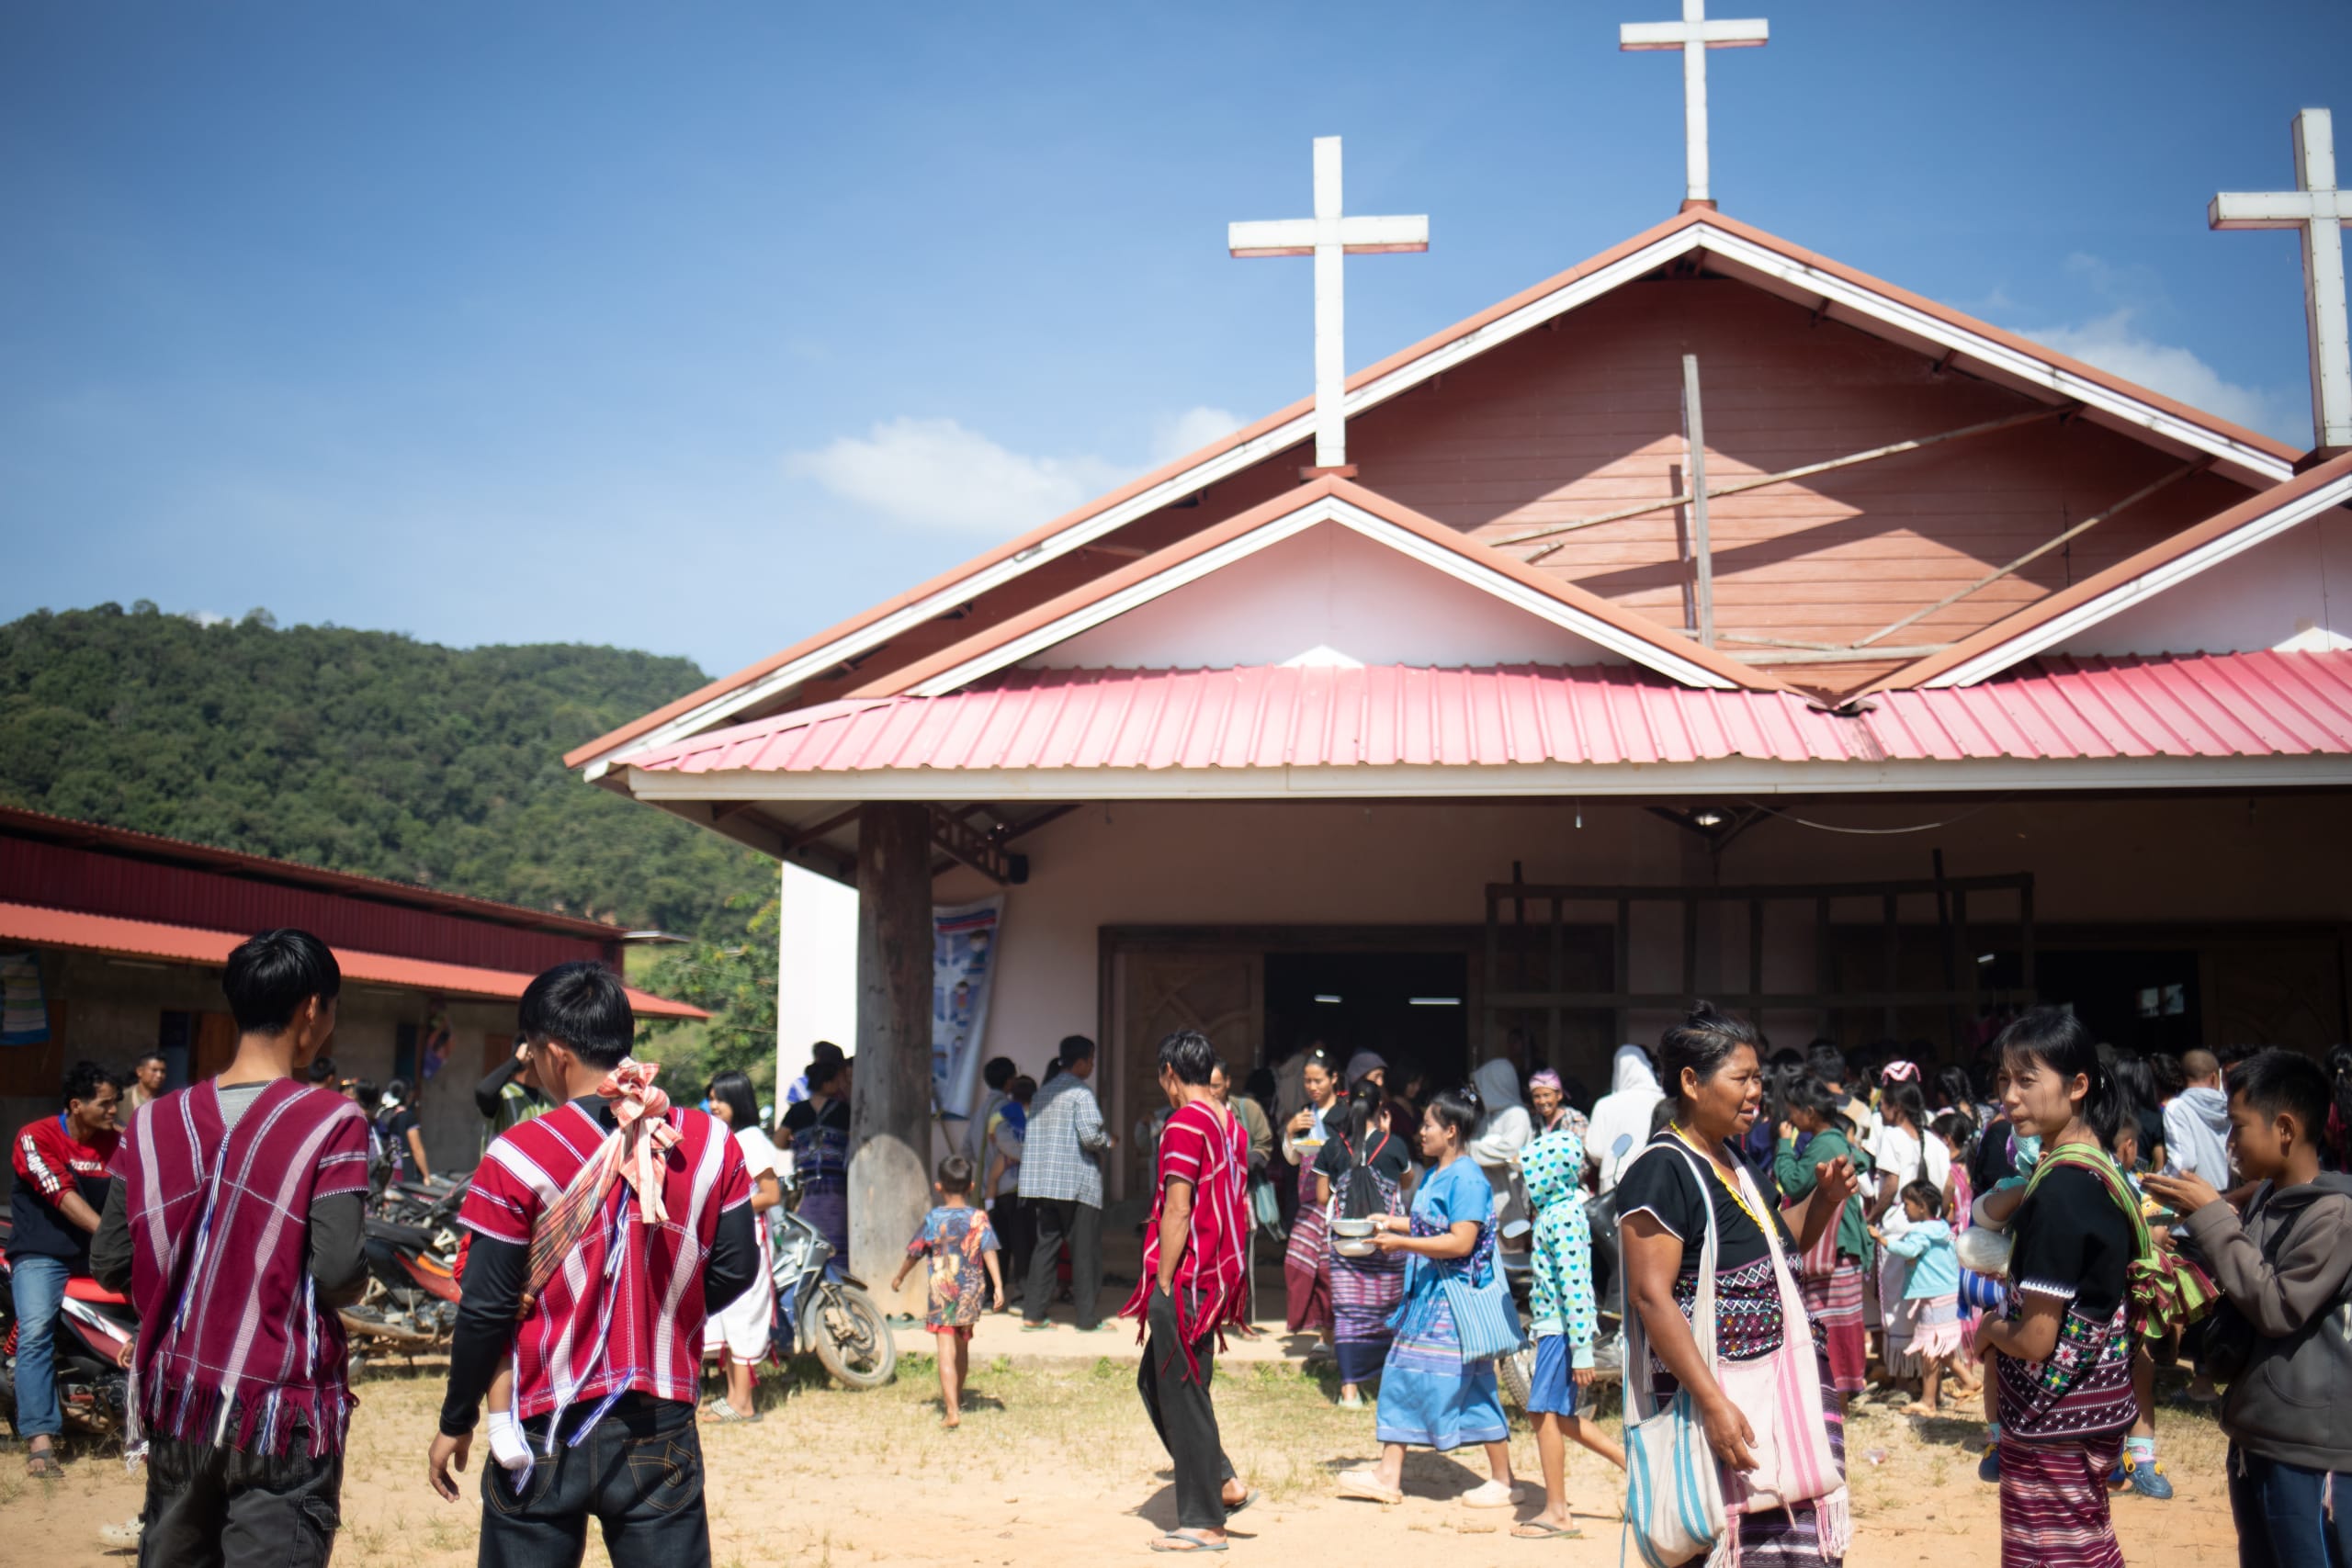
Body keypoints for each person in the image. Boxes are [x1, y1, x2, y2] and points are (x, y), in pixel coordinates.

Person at [429, 960, 756, 1568]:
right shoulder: (710, 1141)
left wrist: (458, 1415)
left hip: (540, 1419)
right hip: (660, 1421)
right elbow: (737, 1267)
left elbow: (488, 1306)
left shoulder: (517, 1154)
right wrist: (666, 1313)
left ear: (554, 1053)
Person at [91, 930, 371, 1566]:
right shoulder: (333, 1120)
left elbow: (109, 1260)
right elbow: (337, 1274)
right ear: (311, 1008)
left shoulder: (151, 1123)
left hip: (179, 1403)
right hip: (280, 1414)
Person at [1617, 1003, 1859, 1566]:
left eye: (1759, 1078)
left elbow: (1780, 1246)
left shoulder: (1736, 1161)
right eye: (1742, 1079)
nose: (1757, 1093)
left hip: (1780, 1395)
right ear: (1691, 1083)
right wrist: (1713, 1403)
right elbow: (1651, 1296)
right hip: (1725, 1403)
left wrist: (1824, 1199)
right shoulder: (1664, 1168)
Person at [2145, 1049, 2352, 1568]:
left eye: (2237, 1128)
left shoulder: (2335, 1215)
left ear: (2284, 1128)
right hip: (2256, 1433)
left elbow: (2278, 1306)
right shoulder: (2266, 1197)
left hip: (2309, 1451)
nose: (2229, 1143)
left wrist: (2213, 1218)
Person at [1970, 1008, 2142, 1568]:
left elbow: (2038, 1340)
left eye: (2026, 1080)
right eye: (2004, 1081)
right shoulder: (2102, 1169)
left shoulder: (2058, 1191)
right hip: (2098, 1407)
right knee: (2086, 1544)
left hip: (2053, 1422)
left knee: (2054, 1554)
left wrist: (1989, 1330)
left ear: (2078, 1086)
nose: (2009, 1098)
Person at [1336, 1085, 1521, 1510]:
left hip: (1453, 1306)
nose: (1420, 1131)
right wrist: (1394, 1222)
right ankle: (1392, 1473)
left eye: (1428, 1124)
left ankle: (1501, 1479)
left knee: (1464, 1384)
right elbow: (1432, 1225)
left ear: (1451, 1131)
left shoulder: (1468, 1178)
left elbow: (1459, 1242)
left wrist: (1401, 1244)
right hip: (1429, 1301)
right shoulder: (1439, 1173)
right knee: (1414, 1376)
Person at [1120, 1030, 1254, 1551]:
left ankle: (1204, 1522)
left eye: (1162, 1079)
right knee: (1161, 1385)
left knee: (1183, 1394)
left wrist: (1161, 1280)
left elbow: (1178, 1208)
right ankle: (1222, 1480)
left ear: (1171, 1073)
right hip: (1219, 1277)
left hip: (1189, 1278)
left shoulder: (1183, 1123)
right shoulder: (1231, 1124)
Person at [1516, 1079, 1624, 1540]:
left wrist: (1581, 1349)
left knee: (1543, 1417)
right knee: (1557, 1417)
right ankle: (1632, 1466)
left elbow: (1577, 1287)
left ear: (1548, 1175)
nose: (1527, 1180)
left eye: (1531, 1173)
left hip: (1561, 1333)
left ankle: (1558, 1511)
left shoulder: (1560, 1217)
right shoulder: (1559, 1213)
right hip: (1558, 1331)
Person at [8, 1060, 121, 1479]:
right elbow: (61, 1193)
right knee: (36, 1329)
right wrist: (108, 1235)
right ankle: (40, 1440)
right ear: (77, 1105)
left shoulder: (118, 1143)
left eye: (116, 1103)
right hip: (43, 1255)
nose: (114, 1111)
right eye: (106, 1104)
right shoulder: (35, 1137)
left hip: (99, 1255)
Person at [1778, 1075, 1874, 1401]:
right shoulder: (1835, 1139)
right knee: (1840, 1320)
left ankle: (1835, 1393)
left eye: (1793, 1111)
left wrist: (1783, 1146)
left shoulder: (1823, 1145)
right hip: (1844, 1246)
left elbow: (1793, 1183)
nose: (1790, 1119)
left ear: (1808, 1111)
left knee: (1825, 1320)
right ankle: (1841, 1392)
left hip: (1835, 1249)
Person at [888, 1156, 1004, 1428]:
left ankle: (952, 1410)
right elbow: (989, 1251)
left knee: (945, 1350)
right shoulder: (978, 1218)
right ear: (972, 1186)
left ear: (938, 1186)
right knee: (962, 1347)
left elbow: (914, 1252)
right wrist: (998, 1285)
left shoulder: (933, 1219)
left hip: (943, 1293)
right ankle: (958, 1395)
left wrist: (899, 1276)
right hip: (971, 1292)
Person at [1316, 1081, 1411, 1407]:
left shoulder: (1331, 1146)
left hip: (1345, 1242)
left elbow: (1318, 1196)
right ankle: (1387, 1381)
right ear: (1379, 1109)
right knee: (1388, 1310)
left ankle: (1349, 1391)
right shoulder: (1394, 1145)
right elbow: (1407, 1181)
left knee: (1349, 1313)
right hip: (1388, 1240)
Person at [701, 1069, 784, 1424]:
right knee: (732, 1316)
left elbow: (771, 1193)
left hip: (751, 1239)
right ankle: (733, 1399)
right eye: (711, 1098)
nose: (713, 1105)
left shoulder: (750, 1139)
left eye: (719, 1098)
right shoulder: (732, 1137)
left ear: (737, 1100)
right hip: (733, 1238)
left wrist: (728, 1208)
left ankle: (743, 1404)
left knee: (745, 1316)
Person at [1019, 1034, 1114, 1332]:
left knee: (1045, 1247)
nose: (1092, 1067)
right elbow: (1090, 1137)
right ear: (1082, 1061)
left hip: (1043, 1184)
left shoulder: (1042, 1093)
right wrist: (1108, 1142)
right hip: (1076, 1185)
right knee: (1083, 1251)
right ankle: (1087, 1318)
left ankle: (1033, 1313)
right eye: (1092, 1060)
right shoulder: (1080, 1094)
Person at [1872, 1179, 1964, 1416]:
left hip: (1932, 1298)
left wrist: (1883, 1240)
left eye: (1907, 1204)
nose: (1904, 1209)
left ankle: (1952, 1388)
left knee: (1930, 1350)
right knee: (1935, 1350)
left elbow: (1908, 1250)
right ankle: (1932, 1398)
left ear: (1922, 1206)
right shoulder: (1943, 1228)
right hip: (1948, 1294)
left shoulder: (1922, 1232)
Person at [1280, 1047, 1343, 1348]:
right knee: (1299, 1263)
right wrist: (1290, 1132)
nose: (1312, 1087)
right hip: (1307, 1202)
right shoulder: (1306, 1114)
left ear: (1333, 1078)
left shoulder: (1345, 1115)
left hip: (1335, 1202)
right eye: (1307, 1081)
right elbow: (1293, 1159)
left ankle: (1331, 1335)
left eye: (1318, 1080)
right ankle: (1321, 1328)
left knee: (1330, 1269)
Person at [1212, 1062, 1273, 1327]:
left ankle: (1241, 1319)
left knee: (1240, 1264)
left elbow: (1264, 1146)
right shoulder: (1194, 1110)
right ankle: (1208, 1318)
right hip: (1207, 1202)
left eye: (1216, 1085)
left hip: (1240, 1201)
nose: (1211, 1092)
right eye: (1206, 1086)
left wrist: (1238, 1161)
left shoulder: (1247, 1110)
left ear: (1228, 1082)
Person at [781, 1054, 853, 1258]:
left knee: (809, 1233)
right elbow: (854, 1139)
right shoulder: (842, 1110)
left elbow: (779, 1140)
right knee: (836, 1234)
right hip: (835, 1183)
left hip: (807, 1184)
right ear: (828, 1083)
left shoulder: (797, 1110)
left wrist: (798, 1144)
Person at [1466, 1058, 1534, 1253]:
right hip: (1488, 1199)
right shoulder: (1487, 1118)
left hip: (1510, 1202)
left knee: (1510, 1257)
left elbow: (1508, 1150)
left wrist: (1471, 1149)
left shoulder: (1517, 1115)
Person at [1586, 1043, 1665, 1195]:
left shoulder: (1604, 1105)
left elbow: (1595, 1151)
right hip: (1655, 1180)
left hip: (1614, 1185)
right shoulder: (1662, 1101)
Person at [985, 1074, 1035, 1310]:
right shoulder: (1038, 1116)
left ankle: (995, 1292)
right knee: (1022, 1246)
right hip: (1023, 1191)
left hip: (1004, 1188)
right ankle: (1020, 1294)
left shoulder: (1001, 1115)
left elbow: (996, 1139)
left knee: (1001, 1245)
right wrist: (1031, 1157)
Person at [2163, 1048, 2232, 1187]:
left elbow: (2183, 1163)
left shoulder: (2177, 1108)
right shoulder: (2231, 1104)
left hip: (2201, 1198)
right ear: (2214, 1077)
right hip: (2237, 1196)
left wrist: (2156, 1180)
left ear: (2182, 1079)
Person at [475, 1036, 551, 1140]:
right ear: (528, 1056)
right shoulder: (504, 1096)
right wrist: (516, 1061)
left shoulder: (549, 1105)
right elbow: (484, 1092)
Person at [377, 1077, 430, 1184]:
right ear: (408, 1095)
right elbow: (416, 1149)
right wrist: (426, 1176)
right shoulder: (407, 1117)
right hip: (402, 1171)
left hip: (383, 1169)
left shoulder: (382, 1114)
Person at [966, 1055, 1018, 1167]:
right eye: (1015, 1078)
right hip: (1006, 1180)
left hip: (983, 1180)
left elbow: (966, 1151)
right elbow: (1010, 1146)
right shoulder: (1010, 1110)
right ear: (1009, 1081)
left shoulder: (978, 1112)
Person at [123, 1052, 167, 1117]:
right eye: (154, 1070)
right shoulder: (123, 1098)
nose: (159, 1075)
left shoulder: (167, 1100)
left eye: (163, 1071)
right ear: (139, 1071)